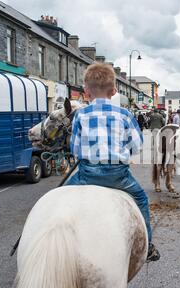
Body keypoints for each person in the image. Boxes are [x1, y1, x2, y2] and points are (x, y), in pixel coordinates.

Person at [65, 63, 160, 262]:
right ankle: (148, 246)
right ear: (114, 91)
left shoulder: (81, 114)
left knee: (59, 197)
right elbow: (137, 146)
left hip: (87, 175)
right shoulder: (125, 115)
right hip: (118, 176)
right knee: (141, 199)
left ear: (86, 92)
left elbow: (74, 149)